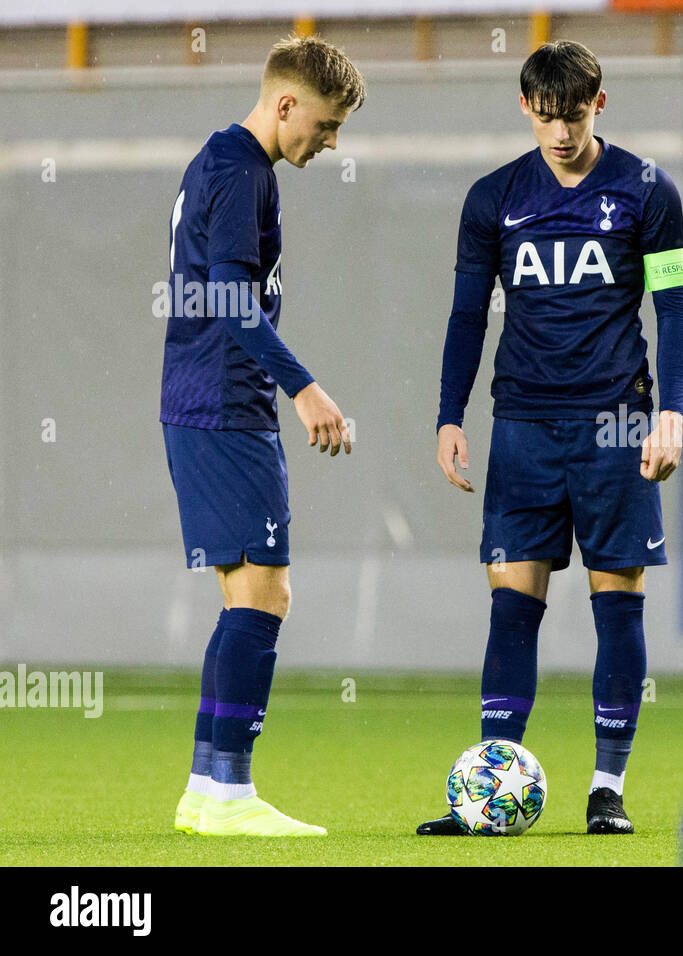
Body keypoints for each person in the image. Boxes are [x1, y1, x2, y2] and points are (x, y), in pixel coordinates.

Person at [418, 39, 683, 836]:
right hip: (524, 427)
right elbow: (469, 315)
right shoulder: (493, 198)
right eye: (546, 117)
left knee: (619, 603)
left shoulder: (648, 190)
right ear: (525, 109)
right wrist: (448, 414)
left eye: (573, 115)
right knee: (511, 605)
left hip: (615, 423)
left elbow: (672, 307)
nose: (561, 133)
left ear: (598, 104)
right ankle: (488, 791)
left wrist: (671, 411)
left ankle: (607, 788)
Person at [162, 35, 365, 837]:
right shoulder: (243, 172)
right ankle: (230, 794)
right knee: (268, 592)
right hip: (226, 404)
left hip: (199, 401)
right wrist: (306, 389)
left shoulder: (218, 162)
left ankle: (206, 787)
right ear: (285, 105)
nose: (330, 143)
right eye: (324, 125)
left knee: (244, 594)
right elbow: (233, 303)